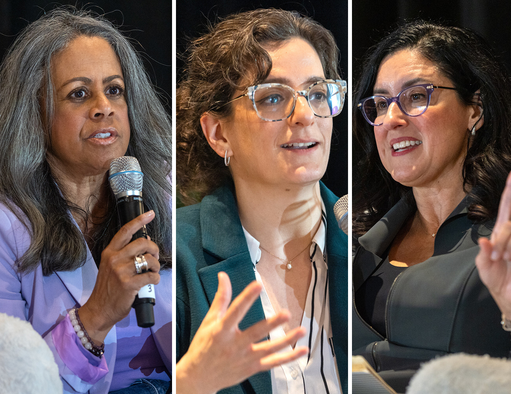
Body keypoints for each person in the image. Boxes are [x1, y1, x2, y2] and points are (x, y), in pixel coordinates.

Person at [175, 9, 348, 394]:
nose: (305, 114)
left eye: (317, 93)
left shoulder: (370, 244)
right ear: (218, 133)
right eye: (273, 98)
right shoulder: (175, 254)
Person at [0, 7, 172, 394]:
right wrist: (95, 317)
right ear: (36, 113)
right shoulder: (6, 228)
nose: (103, 106)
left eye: (114, 90)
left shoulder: (166, 188)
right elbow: (12, 383)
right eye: (79, 93)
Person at [352, 20, 511, 390]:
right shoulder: (354, 234)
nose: (392, 120)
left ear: (474, 110)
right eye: (381, 104)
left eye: (416, 96)